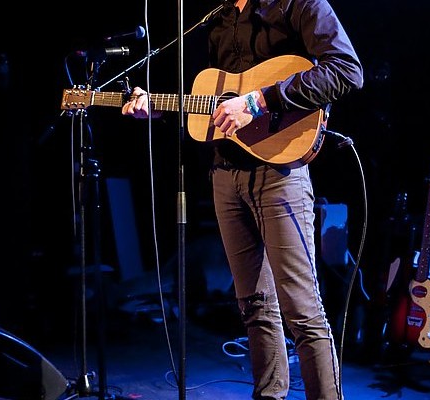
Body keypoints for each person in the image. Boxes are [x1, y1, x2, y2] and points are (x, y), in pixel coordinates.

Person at [122, 0, 363, 398]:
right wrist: (158, 109)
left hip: (282, 174)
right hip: (225, 173)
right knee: (254, 306)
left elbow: (347, 71)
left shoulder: (300, 4)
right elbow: (213, 107)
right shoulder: (216, 15)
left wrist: (260, 100)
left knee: (302, 311)